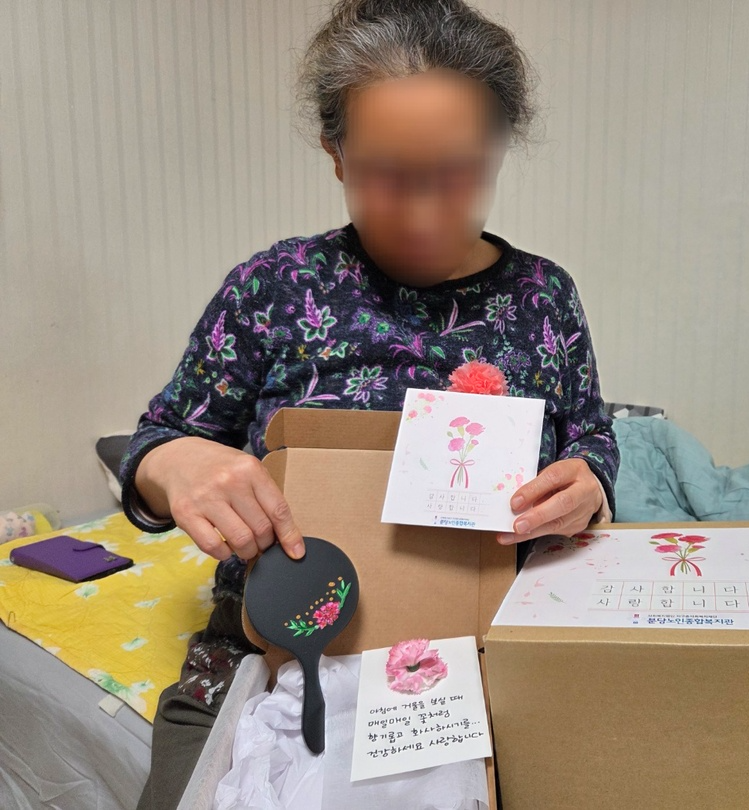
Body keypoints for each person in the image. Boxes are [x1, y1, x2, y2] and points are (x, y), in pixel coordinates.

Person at [118, 0, 619, 806]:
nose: (422, 213)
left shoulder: (543, 297)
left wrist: (589, 481)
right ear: (335, 153)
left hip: (488, 659)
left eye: (458, 173)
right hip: (276, 647)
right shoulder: (275, 288)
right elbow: (156, 443)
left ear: (499, 147)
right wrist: (173, 465)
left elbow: (592, 435)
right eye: (387, 175)